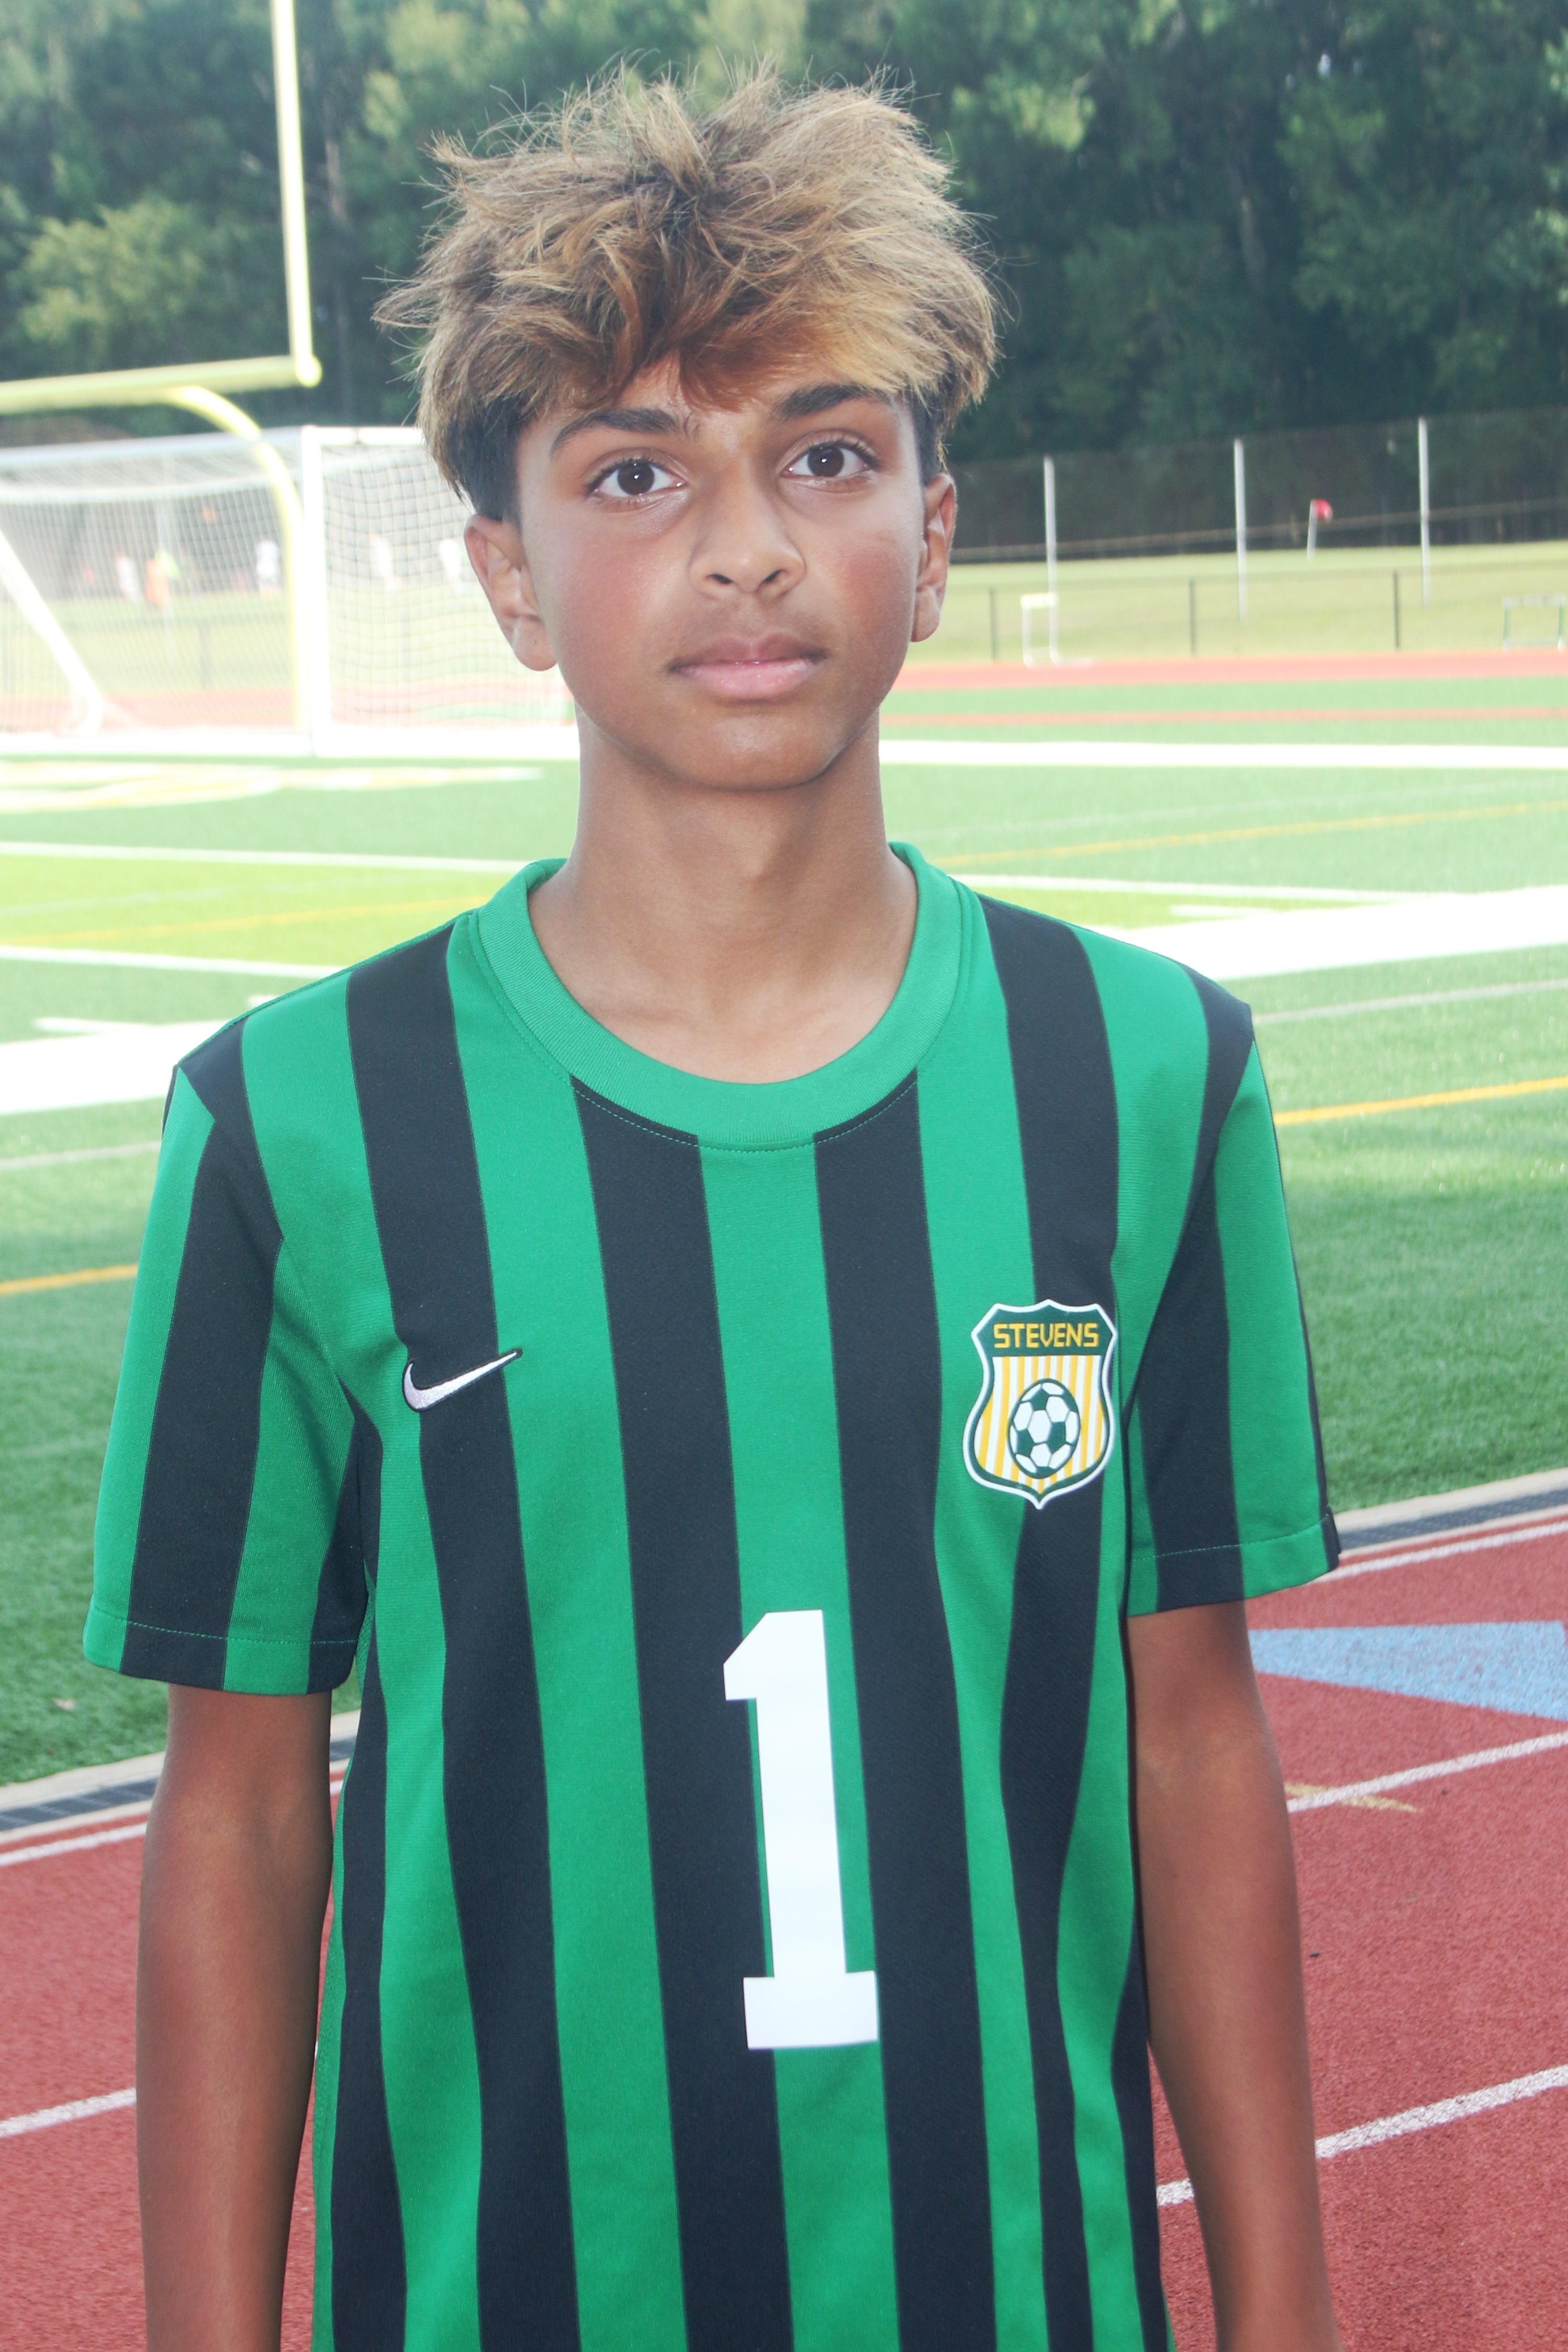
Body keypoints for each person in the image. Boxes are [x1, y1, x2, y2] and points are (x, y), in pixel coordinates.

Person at [87, 71, 1344, 2352]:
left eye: (827, 456)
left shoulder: (1149, 1074)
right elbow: (241, 1812)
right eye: (639, 473)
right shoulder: (298, 1119)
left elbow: (1191, 1740)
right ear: (506, 574)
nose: (748, 546)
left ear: (935, 540)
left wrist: (1283, 2315)